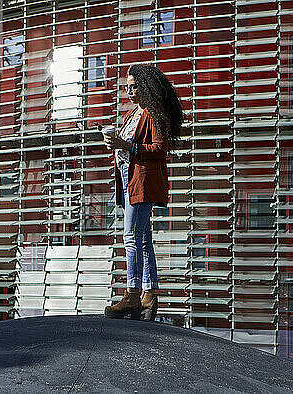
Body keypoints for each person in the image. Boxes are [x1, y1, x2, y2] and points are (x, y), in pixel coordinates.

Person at [102, 64, 183, 321]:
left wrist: (125, 144)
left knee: (131, 237)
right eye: (127, 86)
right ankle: (149, 294)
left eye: (134, 85)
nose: (129, 90)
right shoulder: (133, 114)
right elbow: (129, 146)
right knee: (143, 238)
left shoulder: (154, 113)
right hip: (129, 178)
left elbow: (159, 148)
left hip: (142, 181)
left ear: (146, 86)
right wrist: (114, 144)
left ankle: (132, 293)